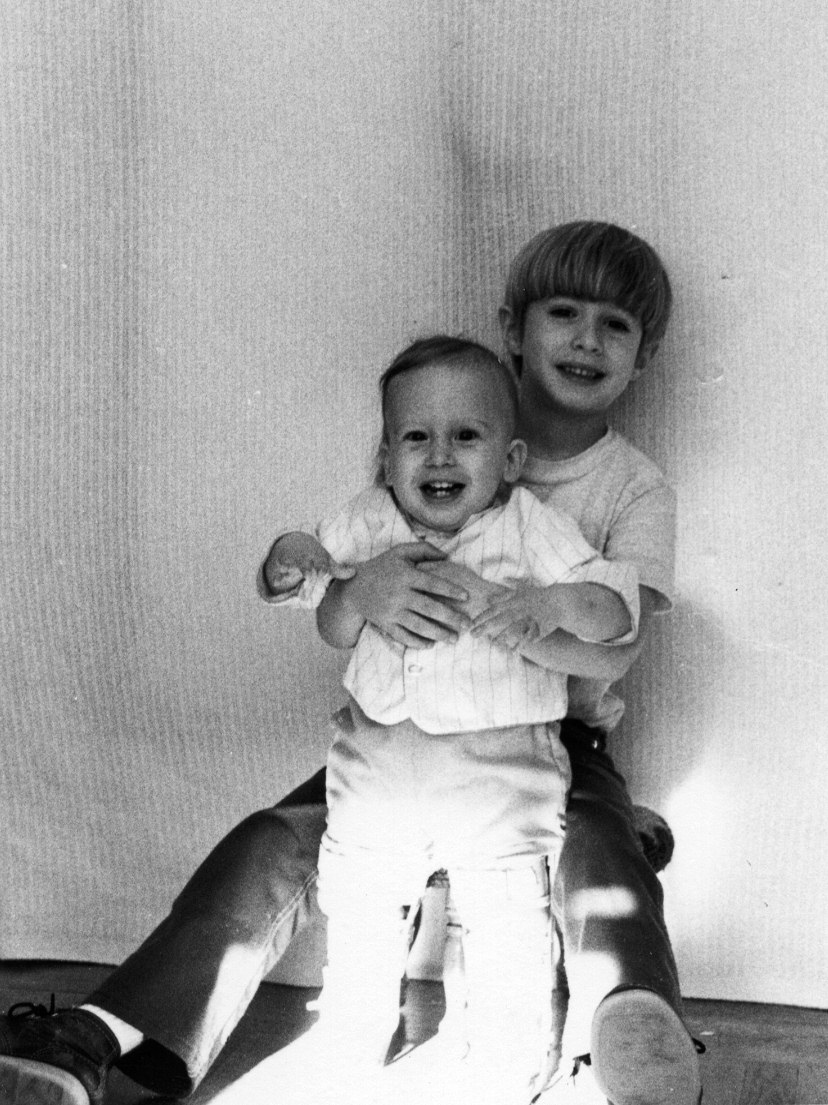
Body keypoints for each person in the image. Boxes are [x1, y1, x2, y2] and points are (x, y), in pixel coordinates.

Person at [0, 221, 702, 1105]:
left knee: (594, 848)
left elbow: (624, 638)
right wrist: (360, 590)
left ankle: (629, 1034)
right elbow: (338, 577)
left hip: (553, 735)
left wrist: (520, 623)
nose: (587, 339)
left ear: (645, 355)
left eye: (615, 324)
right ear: (514, 328)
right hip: (398, 739)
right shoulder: (440, 424)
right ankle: (102, 1037)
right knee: (277, 839)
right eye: (564, 312)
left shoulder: (629, 487)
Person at [265, 334, 640, 1104]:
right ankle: (353, 1025)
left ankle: (509, 1049)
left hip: (499, 763)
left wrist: (549, 605)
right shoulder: (370, 524)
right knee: (363, 897)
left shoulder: (528, 526)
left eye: (465, 436)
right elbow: (322, 608)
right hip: (376, 757)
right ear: (385, 456)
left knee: (504, 908)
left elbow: (613, 607)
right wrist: (315, 570)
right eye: (416, 438)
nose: (439, 457)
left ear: (508, 459)